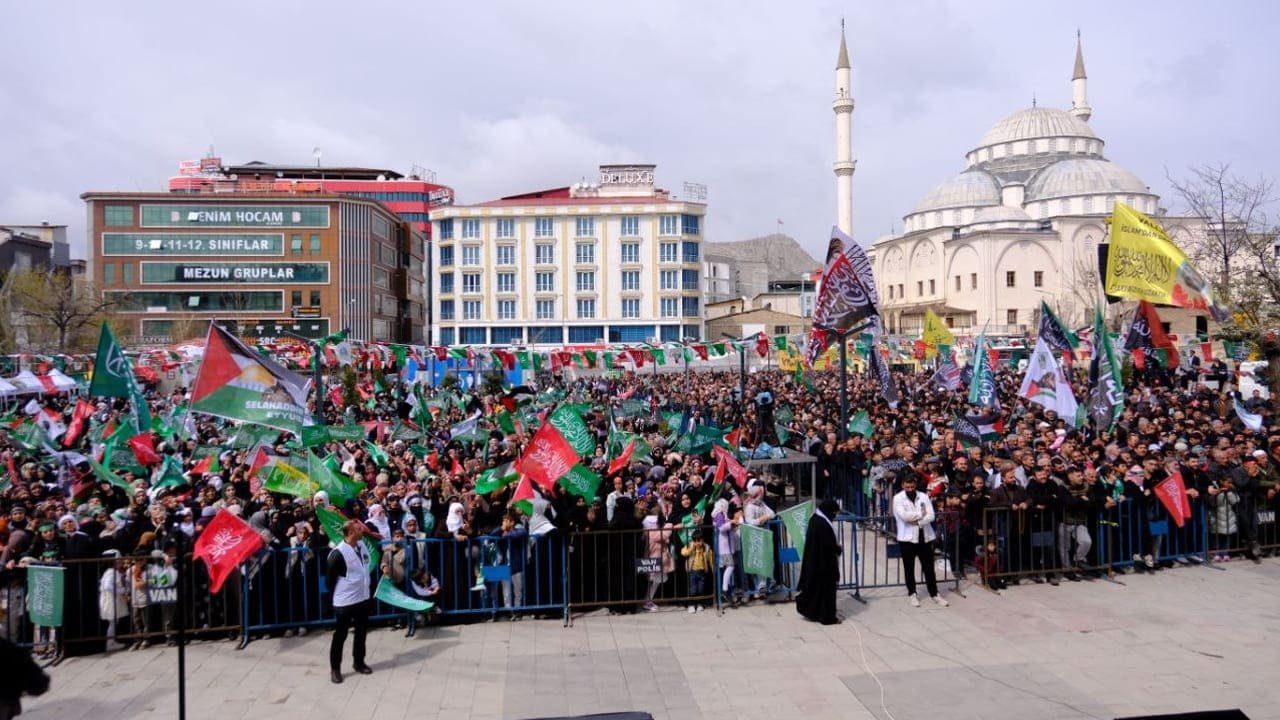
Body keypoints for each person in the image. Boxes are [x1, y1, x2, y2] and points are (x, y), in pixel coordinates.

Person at [326, 520, 374, 684]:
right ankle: (335, 669)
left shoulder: (362, 546)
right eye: (358, 529)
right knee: (340, 635)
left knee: (361, 633)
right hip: (345, 602)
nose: (362, 530)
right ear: (351, 533)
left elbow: (366, 566)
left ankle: (359, 662)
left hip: (363, 598)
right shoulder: (338, 553)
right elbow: (330, 580)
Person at [893, 473, 948, 608]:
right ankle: (912, 593)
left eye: (912, 486)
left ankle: (934, 593)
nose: (910, 489)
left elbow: (931, 516)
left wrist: (918, 522)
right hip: (907, 538)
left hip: (925, 536)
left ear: (915, 485)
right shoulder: (898, 498)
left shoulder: (923, 496)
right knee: (909, 568)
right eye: (907, 487)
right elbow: (904, 516)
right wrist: (920, 515)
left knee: (929, 567)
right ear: (903, 485)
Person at [795, 498, 842, 625]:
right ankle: (827, 617)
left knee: (817, 590)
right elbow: (827, 545)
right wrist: (837, 549)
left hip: (816, 563)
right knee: (826, 591)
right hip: (823, 564)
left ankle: (814, 612)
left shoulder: (816, 519)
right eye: (834, 513)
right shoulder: (821, 524)